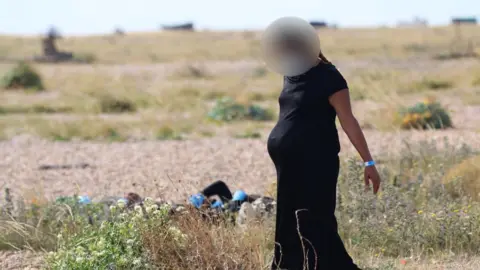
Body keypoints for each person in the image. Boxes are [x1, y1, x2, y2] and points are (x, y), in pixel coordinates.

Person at [263, 17, 381, 270]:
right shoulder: (291, 74)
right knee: (288, 214)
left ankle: (325, 264)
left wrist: (368, 161)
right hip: (289, 159)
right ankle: (288, 264)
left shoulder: (330, 77)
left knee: (317, 213)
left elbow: (348, 120)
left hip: (317, 158)